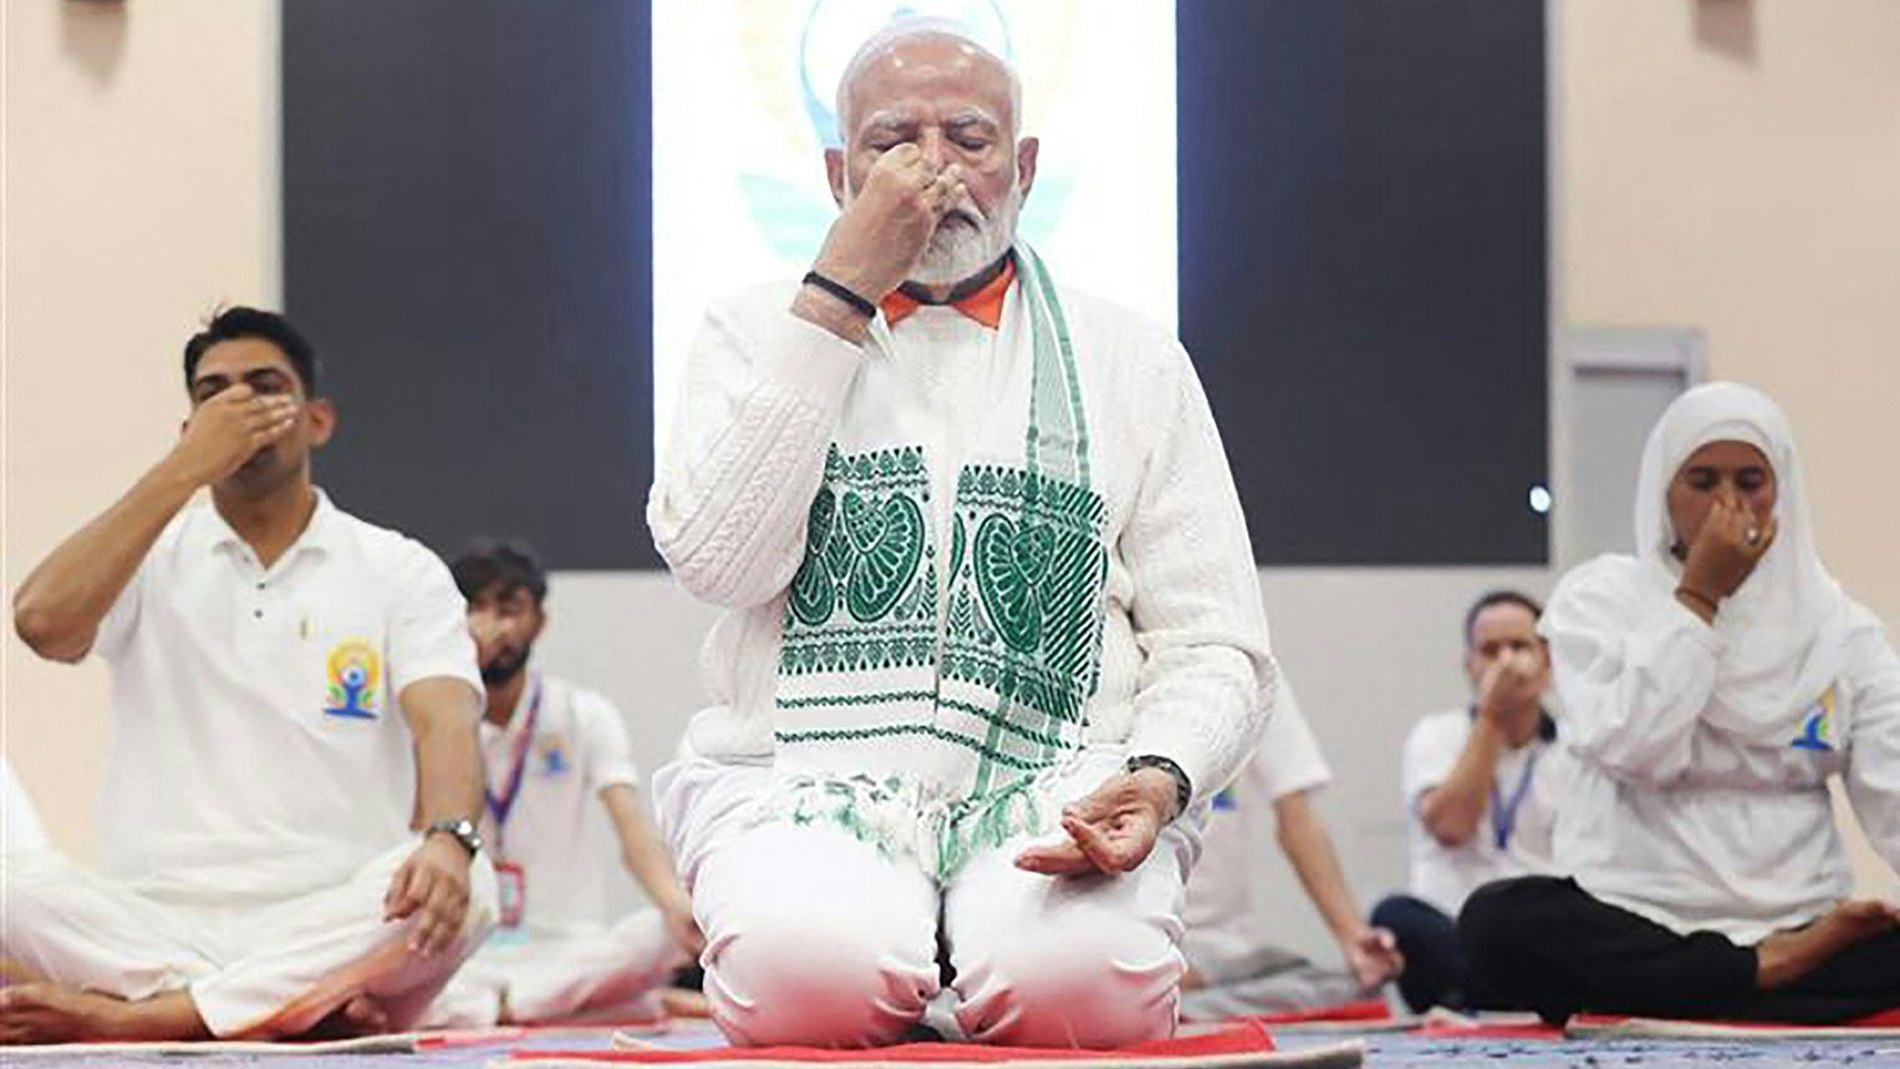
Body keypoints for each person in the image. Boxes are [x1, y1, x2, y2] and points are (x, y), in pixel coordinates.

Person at [647, 18, 1275, 1049]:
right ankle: (913, 964)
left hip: (1062, 778)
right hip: (806, 780)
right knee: (809, 984)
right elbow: (719, 562)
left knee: (1088, 995)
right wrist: (837, 297)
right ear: (838, 171)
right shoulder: (751, 326)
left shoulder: (1133, 356)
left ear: (1023, 168)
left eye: (969, 140)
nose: (932, 169)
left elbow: (1218, 642)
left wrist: (1158, 776)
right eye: (894, 141)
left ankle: (965, 964)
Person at [2, 307, 494, 1044]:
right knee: (15, 884)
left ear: (317, 420)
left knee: (469, 879)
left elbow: (445, 718)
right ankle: (282, 1006)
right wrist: (184, 471)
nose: (240, 407)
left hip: (333, 903)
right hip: (152, 916)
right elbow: (43, 623)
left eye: (265, 387)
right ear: (189, 427)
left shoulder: (396, 567)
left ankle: (159, 1016)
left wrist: (449, 838)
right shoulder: (144, 555)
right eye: (215, 394)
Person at [1460, 382, 1900, 1024]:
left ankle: (1724, 982)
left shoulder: (1841, 630)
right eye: (1702, 480)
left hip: (1801, 916)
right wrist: (1698, 598)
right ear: (1665, 491)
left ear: (1783, 492)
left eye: (1751, 480)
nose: (1728, 503)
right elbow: (1636, 748)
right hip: (1633, 914)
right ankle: (1764, 976)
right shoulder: (1599, 600)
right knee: (1495, 924)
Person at [423, 542, 704, 1026]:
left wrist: (675, 903)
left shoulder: (583, 714)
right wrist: (459, 702)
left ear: (539, 622)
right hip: (467, 952)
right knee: (392, 965)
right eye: (476, 609)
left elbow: (631, 830)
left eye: (510, 610)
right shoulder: (434, 720)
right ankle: (595, 1007)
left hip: (571, 947)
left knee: (658, 933)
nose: (495, 627)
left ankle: (506, 1010)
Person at [1369, 591, 1563, 1012]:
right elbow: (1451, 827)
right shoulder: (1436, 734)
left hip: (1535, 937)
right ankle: (1509, 1000)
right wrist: (1491, 718)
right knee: (1396, 915)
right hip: (1450, 929)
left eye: (1520, 647)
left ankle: (1486, 998)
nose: (1506, 662)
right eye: (1490, 651)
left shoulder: (1576, 749)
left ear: (1547, 659)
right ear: (1469, 664)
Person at [1180, 678, 1402, 1019]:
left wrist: (1353, 938)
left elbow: (1295, 814)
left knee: (1354, 990)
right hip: (1127, 949)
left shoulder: (1249, 666)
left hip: (1226, 957)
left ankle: (1173, 1012)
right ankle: (1160, 1006)